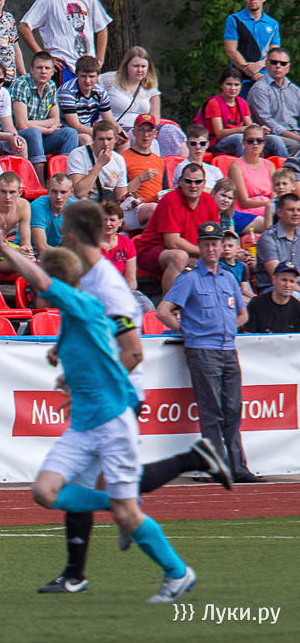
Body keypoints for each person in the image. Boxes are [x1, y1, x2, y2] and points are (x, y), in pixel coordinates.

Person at [0, 224, 198, 604]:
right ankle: (119, 507)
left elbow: (41, 280)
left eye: (44, 287)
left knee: (126, 515)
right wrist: (67, 370)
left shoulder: (82, 303)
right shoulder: (75, 315)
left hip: (111, 424)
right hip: (83, 425)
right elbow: (95, 348)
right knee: (44, 492)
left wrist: (2, 247)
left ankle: (177, 573)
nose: (35, 292)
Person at [157, 222, 263, 484]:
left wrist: (227, 327)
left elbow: (243, 313)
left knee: (233, 410)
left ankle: (238, 468)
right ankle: (217, 467)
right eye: (206, 244)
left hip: (227, 348)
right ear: (200, 246)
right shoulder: (189, 277)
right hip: (203, 350)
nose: (211, 249)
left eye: (215, 244)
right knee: (212, 411)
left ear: (221, 246)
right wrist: (188, 331)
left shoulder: (228, 277)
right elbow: (163, 311)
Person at [18, 0, 111, 83]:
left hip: (87, 67)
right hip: (62, 65)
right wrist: (43, 56)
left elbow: (101, 28)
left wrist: (99, 59)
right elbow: (23, 27)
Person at [136, 163, 222, 292]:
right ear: (180, 182)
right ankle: (170, 303)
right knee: (180, 257)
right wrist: (203, 253)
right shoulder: (170, 200)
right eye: (188, 181)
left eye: (198, 182)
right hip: (153, 251)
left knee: (228, 257)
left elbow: (215, 236)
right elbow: (172, 242)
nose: (193, 186)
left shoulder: (208, 200)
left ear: (204, 184)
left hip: (191, 251)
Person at [100, 46, 186, 157]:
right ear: (126, 65)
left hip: (143, 126)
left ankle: (178, 164)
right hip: (117, 125)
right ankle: (148, 165)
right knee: (144, 139)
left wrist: (149, 132)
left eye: (143, 66)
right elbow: (89, 84)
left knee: (171, 131)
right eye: (135, 66)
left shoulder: (150, 87)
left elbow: (155, 119)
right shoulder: (109, 79)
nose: (140, 70)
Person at [11, 50, 79, 172]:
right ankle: (39, 180)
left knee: (70, 133)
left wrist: (31, 124)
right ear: (31, 70)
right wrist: (46, 129)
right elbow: (21, 125)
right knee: (34, 133)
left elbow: (56, 120)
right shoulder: (21, 85)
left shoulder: (51, 86)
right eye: (39, 68)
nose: (43, 71)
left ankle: (63, 177)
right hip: (19, 137)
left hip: (41, 135)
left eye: (47, 68)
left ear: (52, 72)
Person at [200, 67, 286, 156]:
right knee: (240, 139)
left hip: (240, 137)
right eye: (229, 84)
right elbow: (219, 133)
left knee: (275, 140)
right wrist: (241, 129)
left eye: (236, 85)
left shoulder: (242, 102)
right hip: (218, 143)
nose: (232, 88)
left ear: (241, 86)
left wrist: (260, 130)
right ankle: (244, 163)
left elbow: (250, 127)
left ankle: (287, 165)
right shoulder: (214, 103)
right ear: (221, 85)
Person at [95, 200, 156, 314]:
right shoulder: (90, 244)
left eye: (112, 220)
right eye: (104, 220)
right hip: (95, 292)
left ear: (120, 222)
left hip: (121, 291)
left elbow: (131, 281)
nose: (108, 223)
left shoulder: (126, 243)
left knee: (147, 307)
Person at [223, 0, 281, 95]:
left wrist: (260, 64)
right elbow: (231, 51)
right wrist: (251, 72)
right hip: (239, 81)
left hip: (265, 80)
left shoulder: (272, 24)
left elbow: (275, 53)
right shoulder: (234, 19)